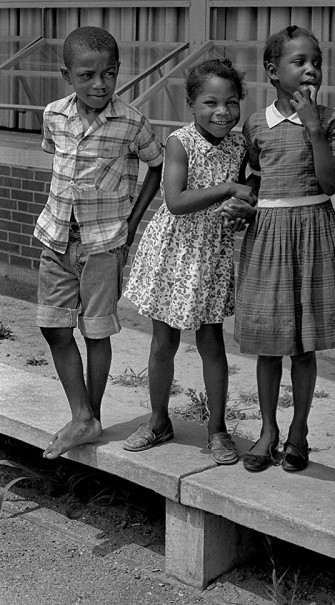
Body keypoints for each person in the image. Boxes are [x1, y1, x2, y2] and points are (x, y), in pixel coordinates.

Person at [34, 26, 163, 460]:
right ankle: (82, 414)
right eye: (87, 75)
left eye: (109, 74)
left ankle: (91, 417)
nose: (99, 84)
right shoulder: (53, 114)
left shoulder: (132, 122)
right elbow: (59, 159)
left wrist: (133, 219)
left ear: (119, 72)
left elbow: (157, 166)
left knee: (96, 330)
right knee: (53, 325)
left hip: (103, 244)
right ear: (66, 75)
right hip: (56, 236)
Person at [235, 25, 335, 473]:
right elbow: (255, 178)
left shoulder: (332, 119)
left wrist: (313, 129)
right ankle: (267, 430)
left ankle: (298, 432)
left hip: (313, 233)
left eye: (316, 62)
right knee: (269, 343)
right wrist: (243, 203)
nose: (311, 69)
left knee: (304, 346)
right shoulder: (254, 124)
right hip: (268, 238)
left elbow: (330, 183)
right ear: (273, 71)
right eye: (299, 61)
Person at [123, 58, 256, 464]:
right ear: (191, 104)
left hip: (211, 254)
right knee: (164, 342)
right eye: (210, 103)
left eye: (231, 103)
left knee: (212, 343)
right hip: (174, 251)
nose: (222, 112)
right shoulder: (180, 142)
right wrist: (230, 186)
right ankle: (159, 420)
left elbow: (258, 177)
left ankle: (217, 430)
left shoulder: (239, 144)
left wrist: (245, 194)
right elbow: (177, 202)